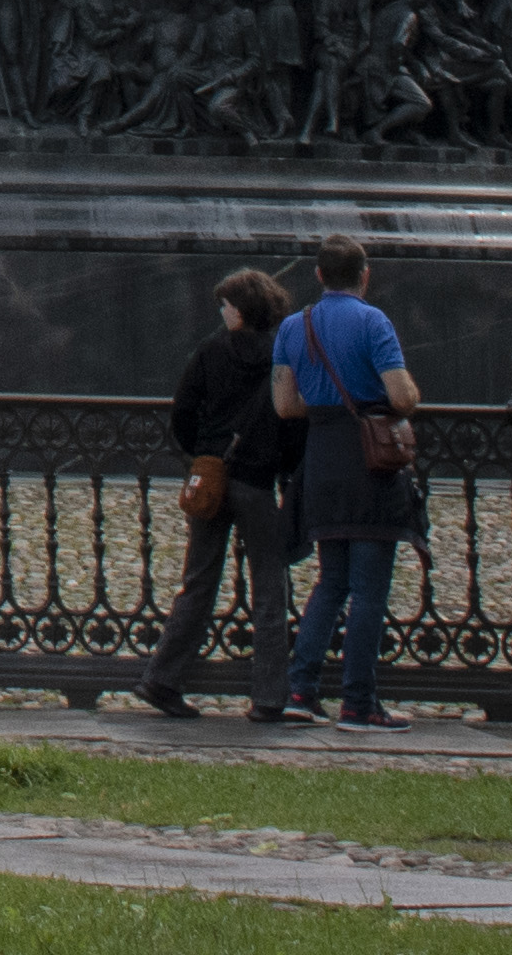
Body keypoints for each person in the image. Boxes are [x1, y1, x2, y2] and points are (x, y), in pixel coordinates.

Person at [267, 236, 421, 728]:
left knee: (330, 582)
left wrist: (328, 407)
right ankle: (358, 702)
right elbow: (401, 396)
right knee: (369, 589)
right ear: (365, 274)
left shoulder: (295, 325)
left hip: (321, 459)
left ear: (317, 275)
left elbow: (285, 406)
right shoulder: (373, 321)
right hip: (369, 464)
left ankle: (300, 691)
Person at [139, 267, 300, 718]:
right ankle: (269, 697)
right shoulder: (281, 355)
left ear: (240, 310)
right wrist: (282, 468)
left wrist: (202, 455)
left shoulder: (210, 351)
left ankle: (161, 677)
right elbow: (293, 421)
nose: (221, 312)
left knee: (198, 582)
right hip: (256, 480)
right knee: (270, 590)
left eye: (225, 305)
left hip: (213, 480)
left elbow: (183, 411)